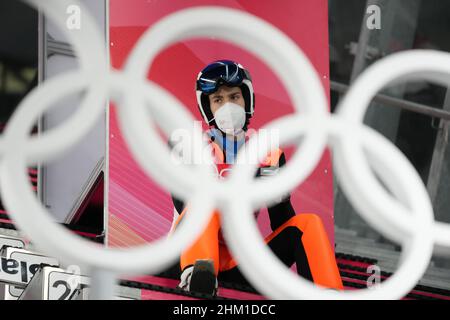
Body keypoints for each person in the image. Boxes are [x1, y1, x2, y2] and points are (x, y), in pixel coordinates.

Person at [171, 60, 343, 296]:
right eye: (218, 100)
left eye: (234, 97)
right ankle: (196, 277)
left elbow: (281, 221)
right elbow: (182, 205)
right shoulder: (189, 147)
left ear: (247, 100)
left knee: (308, 223)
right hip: (186, 256)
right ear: (207, 108)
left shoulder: (269, 155)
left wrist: (279, 197)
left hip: (243, 264)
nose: (228, 107)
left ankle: (328, 293)